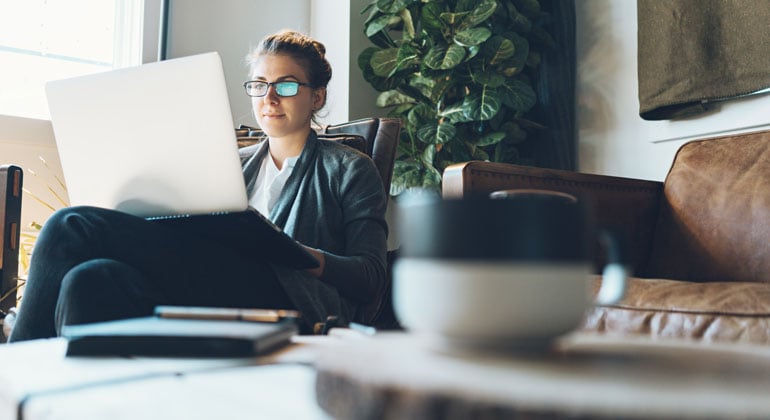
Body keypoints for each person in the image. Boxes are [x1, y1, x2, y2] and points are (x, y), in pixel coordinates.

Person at [8, 30, 388, 341]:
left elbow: (370, 277)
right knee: (87, 280)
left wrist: (295, 253)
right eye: (259, 85)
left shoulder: (350, 168)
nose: (269, 98)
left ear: (316, 96)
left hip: (292, 303)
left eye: (286, 86)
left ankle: (14, 376)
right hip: (211, 283)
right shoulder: (229, 163)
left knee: (70, 226)